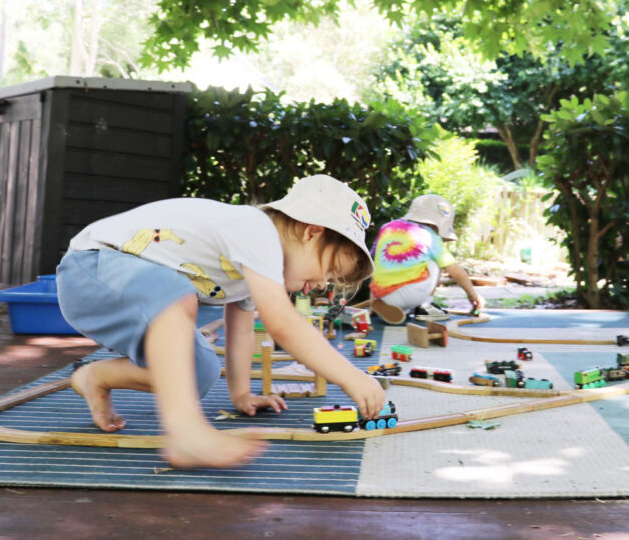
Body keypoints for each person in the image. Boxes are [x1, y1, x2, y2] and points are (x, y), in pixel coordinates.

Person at [55, 175, 386, 469]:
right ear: (311, 232)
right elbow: (282, 324)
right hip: (90, 269)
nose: (321, 284)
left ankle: (95, 377)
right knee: (175, 294)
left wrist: (241, 394)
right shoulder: (256, 229)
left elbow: (240, 325)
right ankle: (186, 433)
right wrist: (350, 376)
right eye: (327, 271)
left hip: (125, 294)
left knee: (198, 372)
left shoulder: (255, 270)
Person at [369, 194, 486, 325]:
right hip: (409, 295)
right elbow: (456, 272)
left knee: (384, 260)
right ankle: (425, 307)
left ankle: (393, 307)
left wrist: (373, 298)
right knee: (435, 261)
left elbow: (375, 264)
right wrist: (473, 295)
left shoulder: (386, 228)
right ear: (438, 225)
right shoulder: (430, 237)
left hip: (381, 295)